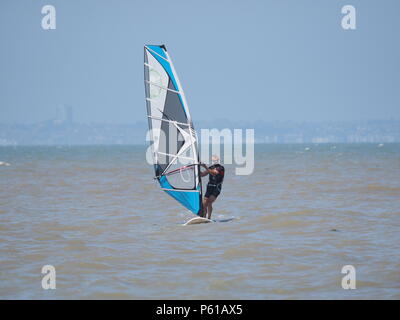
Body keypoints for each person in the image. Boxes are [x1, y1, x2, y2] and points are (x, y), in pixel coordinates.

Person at [200, 155, 225, 219]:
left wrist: (205, 166)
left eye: (215, 160)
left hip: (216, 188)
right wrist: (195, 169)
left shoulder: (221, 168)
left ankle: (209, 218)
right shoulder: (210, 167)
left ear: (218, 160)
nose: (214, 161)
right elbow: (202, 175)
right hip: (209, 187)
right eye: (213, 160)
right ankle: (204, 216)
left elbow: (214, 173)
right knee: (204, 202)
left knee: (209, 202)